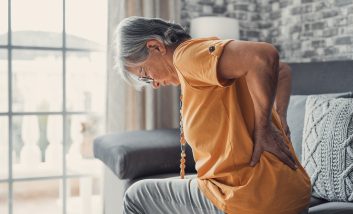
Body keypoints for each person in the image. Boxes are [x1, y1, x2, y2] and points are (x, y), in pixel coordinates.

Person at [115, 16, 311, 214]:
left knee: (136, 196)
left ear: (155, 46)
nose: (154, 84)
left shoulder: (186, 56)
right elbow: (282, 71)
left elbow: (264, 56)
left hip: (251, 199)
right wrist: (281, 121)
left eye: (144, 72)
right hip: (291, 194)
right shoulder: (205, 64)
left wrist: (265, 128)